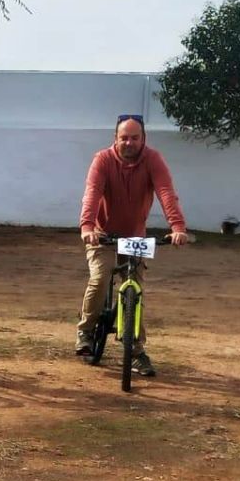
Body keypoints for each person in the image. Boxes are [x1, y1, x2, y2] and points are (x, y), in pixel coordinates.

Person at [76, 115, 190, 377]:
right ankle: (85, 331)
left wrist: (178, 228)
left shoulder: (153, 159)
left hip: (135, 237)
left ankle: (137, 351)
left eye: (134, 138)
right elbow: (92, 193)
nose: (129, 142)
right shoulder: (102, 160)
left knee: (135, 290)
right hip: (102, 235)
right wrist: (87, 227)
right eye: (124, 137)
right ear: (115, 139)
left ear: (143, 139)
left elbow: (166, 192)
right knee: (101, 277)